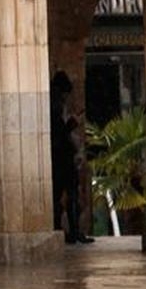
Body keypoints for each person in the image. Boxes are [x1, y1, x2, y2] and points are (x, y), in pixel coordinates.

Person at [50, 70, 93, 245]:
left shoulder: (55, 105)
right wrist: (71, 124)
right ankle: (72, 232)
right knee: (70, 195)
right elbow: (58, 133)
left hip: (60, 157)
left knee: (62, 195)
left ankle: (67, 231)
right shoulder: (55, 107)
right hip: (61, 158)